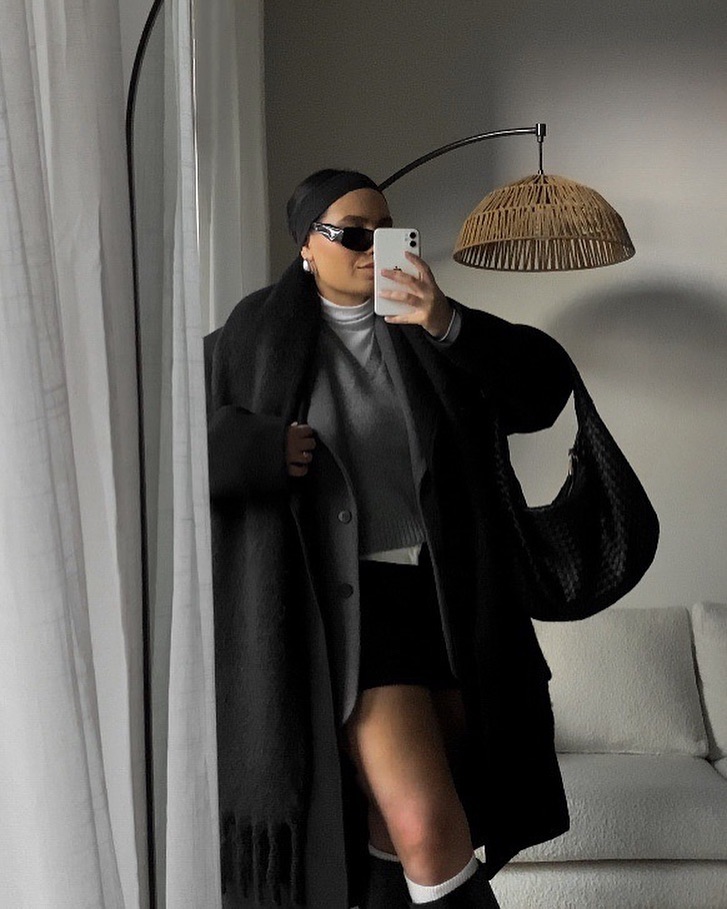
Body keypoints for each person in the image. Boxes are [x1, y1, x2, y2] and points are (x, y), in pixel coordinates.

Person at [204, 169, 574, 909]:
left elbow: (544, 389)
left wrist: (446, 321)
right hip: (352, 613)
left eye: (386, 229)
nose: (373, 247)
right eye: (352, 233)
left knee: (392, 827)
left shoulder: (422, 329)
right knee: (428, 825)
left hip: (445, 601)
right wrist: (260, 450)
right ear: (306, 246)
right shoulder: (253, 336)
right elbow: (169, 444)